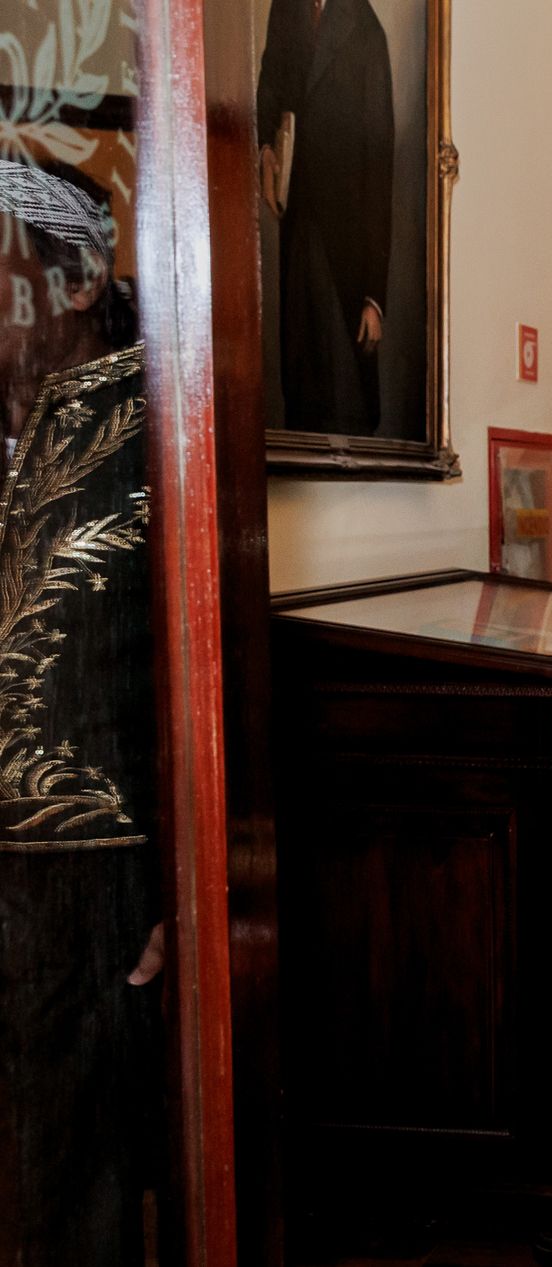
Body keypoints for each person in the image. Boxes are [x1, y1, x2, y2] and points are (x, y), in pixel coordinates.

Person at [0, 159, 161, 1265]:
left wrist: (177, 890)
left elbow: (191, 673)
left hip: (93, 873)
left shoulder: (152, 424)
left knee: (77, 1163)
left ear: (71, 281)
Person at [255, 0, 394, 435]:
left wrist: (374, 297)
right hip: (298, 223)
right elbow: (270, 85)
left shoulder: (366, 29)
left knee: (344, 394)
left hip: (347, 249)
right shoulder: (286, 9)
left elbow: (380, 170)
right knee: (300, 386)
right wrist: (265, 150)